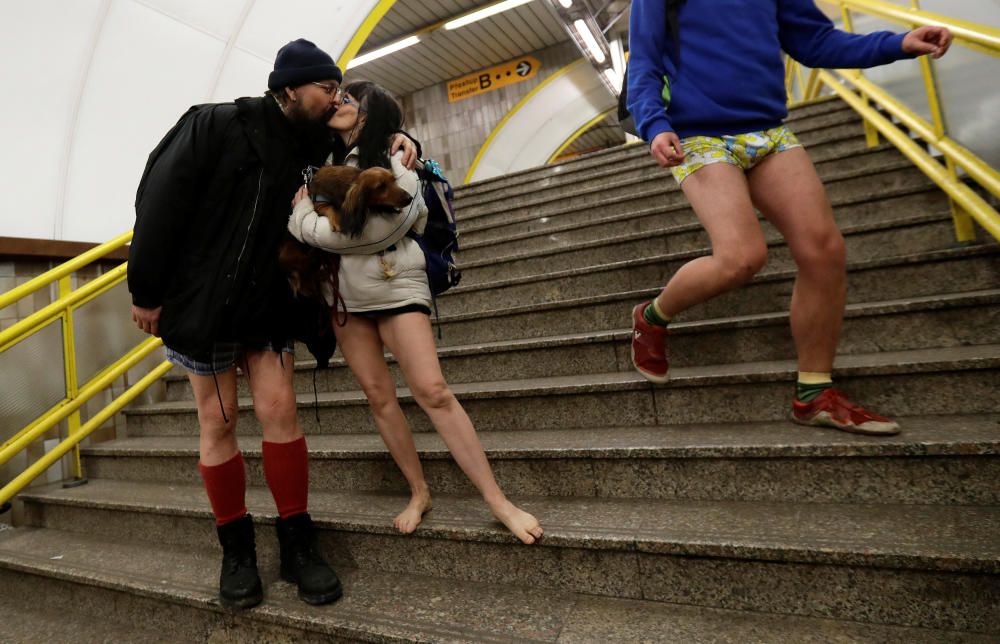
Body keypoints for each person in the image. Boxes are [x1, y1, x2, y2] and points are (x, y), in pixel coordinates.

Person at [128, 39, 417, 609]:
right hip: (201, 303)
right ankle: (236, 550)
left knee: (280, 410)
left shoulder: (319, 146)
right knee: (218, 422)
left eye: (339, 88)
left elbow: (371, 159)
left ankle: (298, 544)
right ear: (290, 88)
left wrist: (407, 143)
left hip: (268, 302)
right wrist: (146, 288)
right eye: (326, 87)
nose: (336, 96)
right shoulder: (215, 124)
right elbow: (159, 198)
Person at [626, 1, 953, 435]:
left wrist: (897, 43)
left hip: (768, 128)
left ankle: (814, 393)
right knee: (741, 258)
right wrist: (654, 123)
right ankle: (651, 316)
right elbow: (644, 62)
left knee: (824, 249)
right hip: (696, 134)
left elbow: (813, 39)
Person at [287, 81, 544, 545]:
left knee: (433, 390)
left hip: (396, 284)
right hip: (344, 295)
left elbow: (391, 227)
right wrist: (310, 225)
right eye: (337, 98)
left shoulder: (397, 155)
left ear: (372, 114)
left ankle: (497, 500)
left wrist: (306, 222)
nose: (339, 104)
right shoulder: (320, 163)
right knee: (378, 398)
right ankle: (418, 491)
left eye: (350, 101)